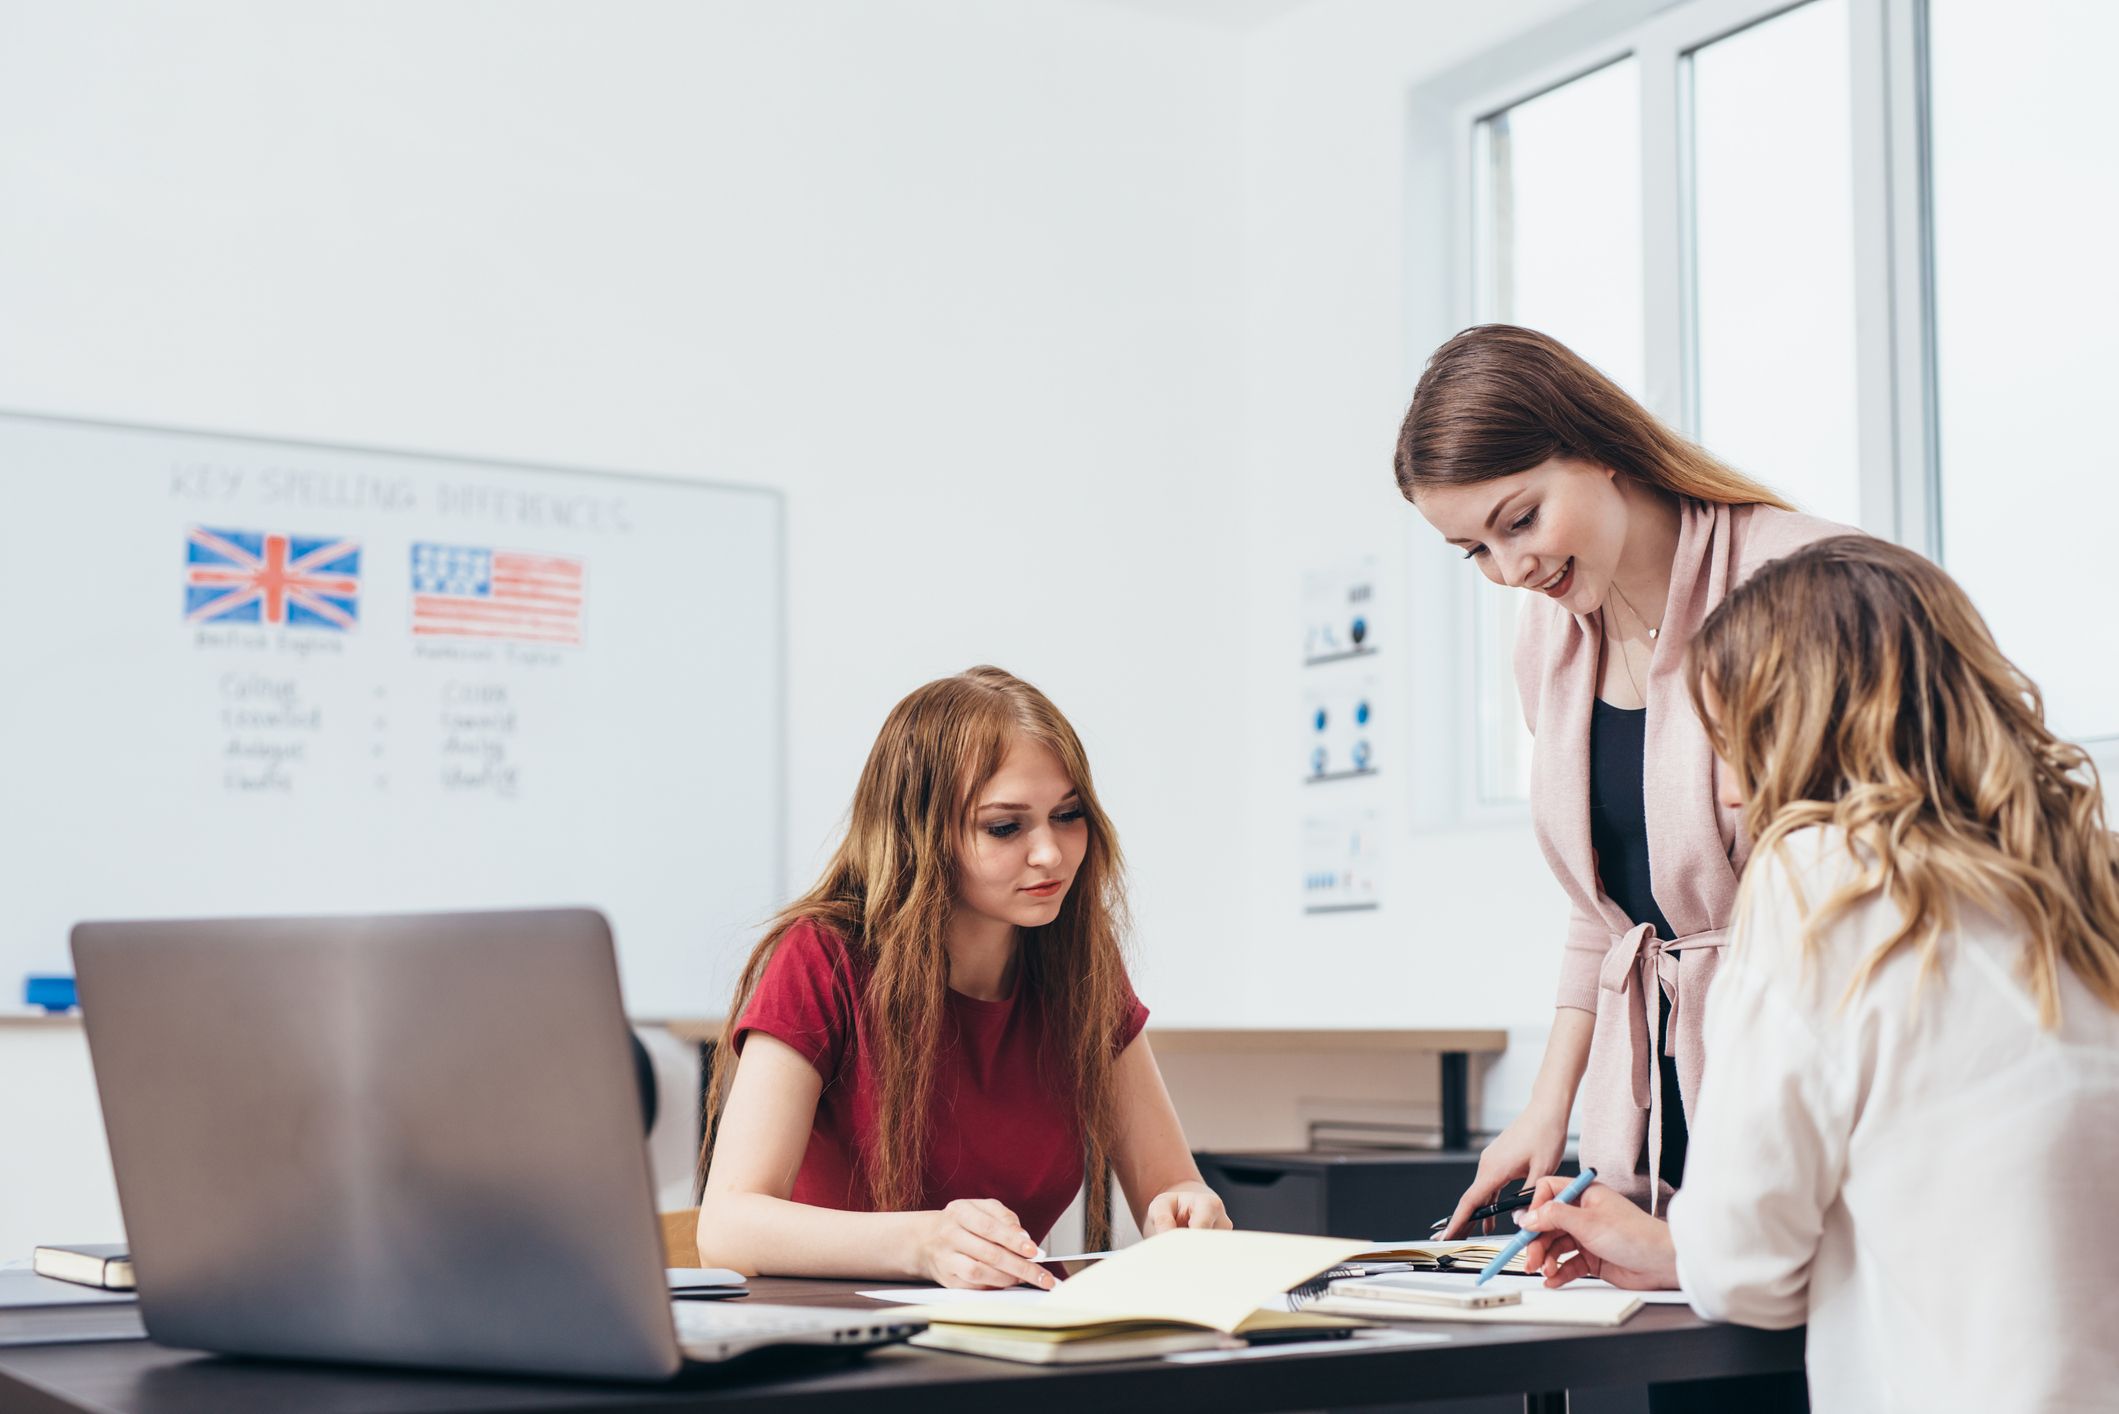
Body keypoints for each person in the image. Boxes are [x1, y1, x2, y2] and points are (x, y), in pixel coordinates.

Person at [1511, 537, 2119, 1411]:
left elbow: (1745, 1271)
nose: (1725, 795)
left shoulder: (1818, 878)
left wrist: (1683, 1247)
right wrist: (1671, 1249)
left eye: (1729, 743)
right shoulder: (2085, 867)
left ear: (1793, 726)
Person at [1396, 325, 1853, 1234]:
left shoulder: (1803, 582)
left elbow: (1881, 876)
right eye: (1474, 550)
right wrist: (1545, 1108)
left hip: (1808, 1071)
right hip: (1660, 1098)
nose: (1510, 570)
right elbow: (1605, 908)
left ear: (1598, 448)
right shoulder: (1551, 637)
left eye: (1519, 519)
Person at [694, 666, 1229, 1289]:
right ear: (918, 834)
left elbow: (1169, 1183)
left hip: (1012, 1346)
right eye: (1005, 827)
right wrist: (921, 1243)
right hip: (843, 1349)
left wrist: (1187, 1207)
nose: (1051, 854)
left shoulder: (1080, 961)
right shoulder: (821, 959)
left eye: (1068, 814)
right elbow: (726, 1228)